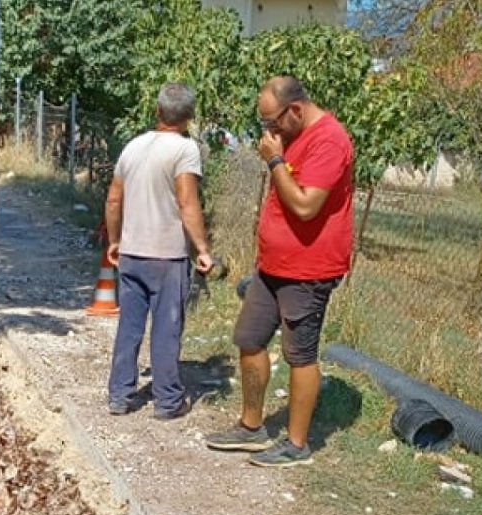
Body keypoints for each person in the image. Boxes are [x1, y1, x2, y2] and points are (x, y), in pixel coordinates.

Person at [206, 75, 353, 466]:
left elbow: (305, 206)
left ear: (296, 110)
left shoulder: (330, 141)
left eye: (273, 122)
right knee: (249, 338)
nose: (268, 131)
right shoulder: (291, 134)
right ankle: (251, 427)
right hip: (272, 266)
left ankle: (296, 443)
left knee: (299, 354)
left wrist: (273, 160)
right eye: (264, 124)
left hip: (308, 270)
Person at [104, 83, 214, 420]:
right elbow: (187, 201)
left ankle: (119, 396)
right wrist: (202, 249)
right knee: (166, 328)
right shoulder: (184, 150)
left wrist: (114, 241)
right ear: (189, 117)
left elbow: (113, 199)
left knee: (129, 326)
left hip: (132, 254)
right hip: (166, 256)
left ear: (157, 111)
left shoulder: (133, 147)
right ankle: (167, 401)